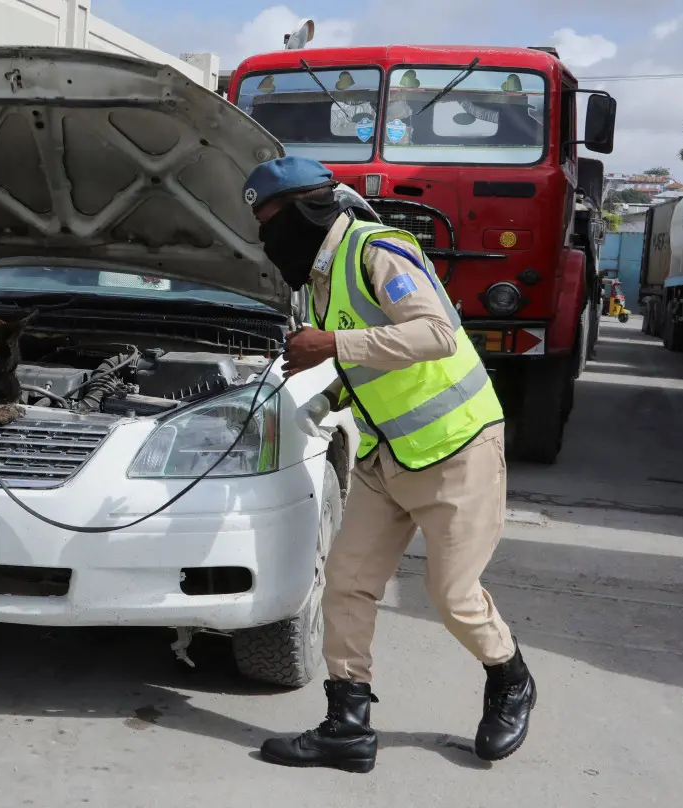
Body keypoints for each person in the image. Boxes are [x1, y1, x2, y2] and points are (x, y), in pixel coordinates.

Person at [242, 155, 535, 773]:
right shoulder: (319, 276)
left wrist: (331, 345)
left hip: (457, 448)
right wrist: (326, 394)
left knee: (452, 595)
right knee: (346, 583)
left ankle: (510, 678)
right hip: (387, 455)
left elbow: (436, 335)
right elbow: (371, 363)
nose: (269, 237)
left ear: (309, 210)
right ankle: (347, 724)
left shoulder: (378, 251)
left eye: (274, 221)